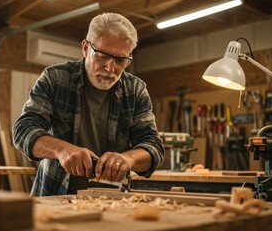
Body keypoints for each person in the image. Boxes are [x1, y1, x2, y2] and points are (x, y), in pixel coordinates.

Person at [12, 12, 164, 196]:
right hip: (54, 194)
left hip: (113, 200)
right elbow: (23, 130)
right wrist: (62, 150)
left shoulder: (135, 90)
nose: (110, 68)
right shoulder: (55, 78)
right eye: (102, 56)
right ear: (85, 48)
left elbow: (153, 145)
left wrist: (127, 159)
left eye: (120, 60)